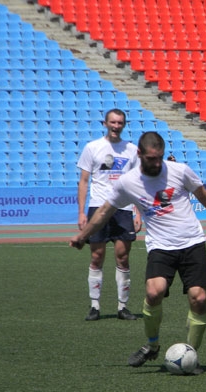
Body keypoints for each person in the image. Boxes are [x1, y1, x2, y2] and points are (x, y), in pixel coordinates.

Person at [70, 131, 206, 371]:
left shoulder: (180, 171)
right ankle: (152, 346)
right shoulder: (128, 182)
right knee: (154, 293)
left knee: (199, 298)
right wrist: (83, 236)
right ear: (139, 154)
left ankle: (191, 354)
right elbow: (104, 211)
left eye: (159, 158)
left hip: (192, 242)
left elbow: (203, 195)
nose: (156, 164)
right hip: (160, 246)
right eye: (150, 159)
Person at [77, 108, 142, 322]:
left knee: (123, 257)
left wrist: (138, 212)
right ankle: (94, 306)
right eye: (112, 122)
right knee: (96, 256)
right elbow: (84, 181)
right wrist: (81, 212)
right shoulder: (92, 147)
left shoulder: (131, 150)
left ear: (124, 125)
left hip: (123, 209)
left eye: (120, 123)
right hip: (98, 207)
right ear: (105, 124)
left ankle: (123, 307)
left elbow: (138, 183)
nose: (116, 126)